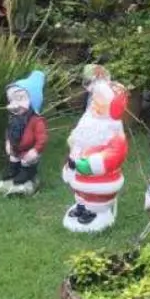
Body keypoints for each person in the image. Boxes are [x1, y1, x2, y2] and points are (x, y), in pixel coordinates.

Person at [62, 80, 129, 233]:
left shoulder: (114, 133)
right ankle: (81, 206)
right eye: (94, 99)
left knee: (95, 196)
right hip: (78, 171)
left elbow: (114, 155)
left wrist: (89, 164)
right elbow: (77, 140)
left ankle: (95, 211)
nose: (95, 103)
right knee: (79, 191)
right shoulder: (88, 121)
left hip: (101, 178)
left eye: (100, 101)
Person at [0, 71, 47, 197]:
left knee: (27, 161)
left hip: (29, 151)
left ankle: (27, 174)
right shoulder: (13, 118)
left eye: (19, 98)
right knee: (14, 158)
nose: (14, 105)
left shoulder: (36, 121)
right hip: (16, 148)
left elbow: (42, 138)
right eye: (11, 99)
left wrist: (35, 150)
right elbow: (9, 131)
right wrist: (8, 142)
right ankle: (13, 170)